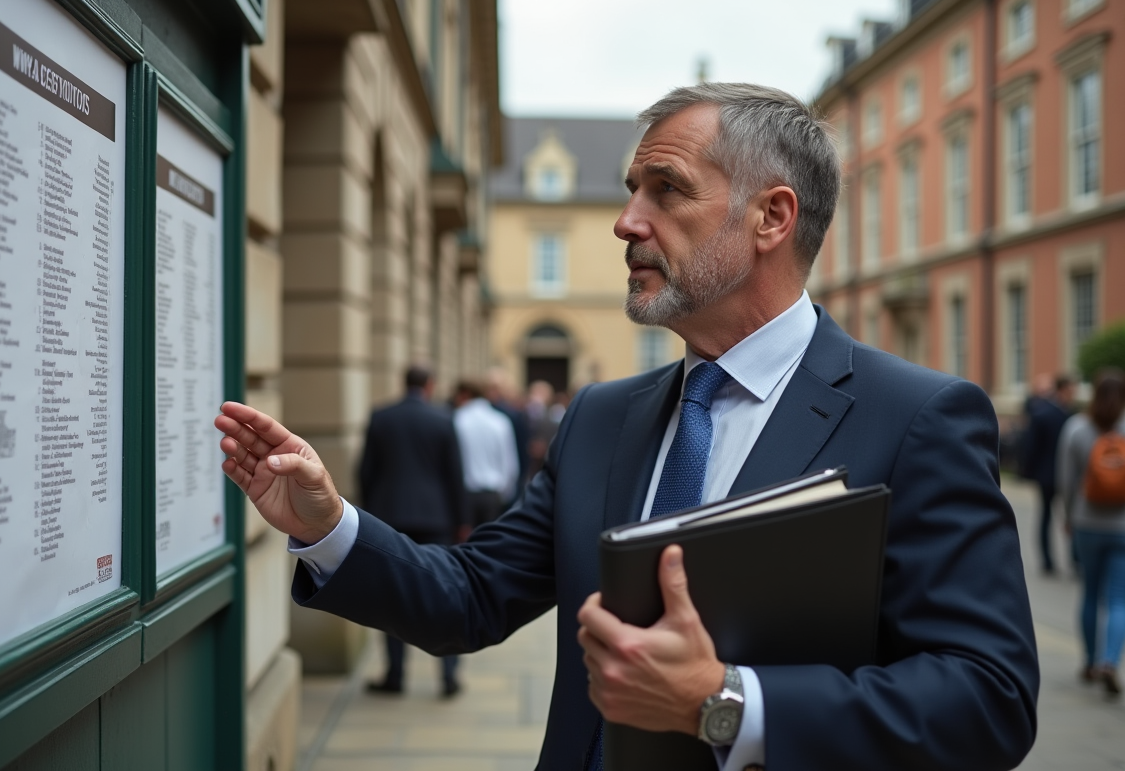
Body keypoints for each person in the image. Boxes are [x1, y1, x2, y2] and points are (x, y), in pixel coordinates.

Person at [216, 83, 1038, 770]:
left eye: (666, 189)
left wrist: (727, 704)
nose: (625, 222)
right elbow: (468, 598)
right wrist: (328, 529)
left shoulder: (919, 419)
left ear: (771, 218)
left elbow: (988, 697)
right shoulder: (603, 417)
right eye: (629, 191)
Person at [355, 365, 468, 698]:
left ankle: (395, 675)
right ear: (430, 385)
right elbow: (455, 476)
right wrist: (462, 521)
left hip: (390, 517)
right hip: (436, 519)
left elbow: (365, 472)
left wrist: (370, 516)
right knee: (445, 593)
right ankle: (448, 675)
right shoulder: (443, 419)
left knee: (392, 598)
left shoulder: (381, 416)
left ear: (403, 383)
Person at [1057, 368, 1125, 698]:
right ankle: (1110, 662)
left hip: (1087, 523)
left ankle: (1088, 661)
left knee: (1089, 593)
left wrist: (1069, 516)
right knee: (1118, 599)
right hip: (1123, 527)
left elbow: (1066, 481)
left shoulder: (1076, 428)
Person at [1021, 374, 1075, 573]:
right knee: (1049, 516)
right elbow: (1031, 447)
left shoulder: (1063, 414)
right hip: (1052, 474)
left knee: (1058, 516)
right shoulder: (1051, 414)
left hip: (1053, 474)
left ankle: (1059, 560)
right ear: (1062, 390)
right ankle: (1052, 560)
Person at [452, 379, 519, 526]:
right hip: (492, 494)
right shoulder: (500, 421)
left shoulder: (456, 419)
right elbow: (509, 462)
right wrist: (506, 493)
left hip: (463, 493)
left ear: (464, 394)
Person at [483, 367, 530, 504]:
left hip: (504, 481)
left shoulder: (512, 415)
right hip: (503, 482)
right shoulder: (512, 415)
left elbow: (521, 449)